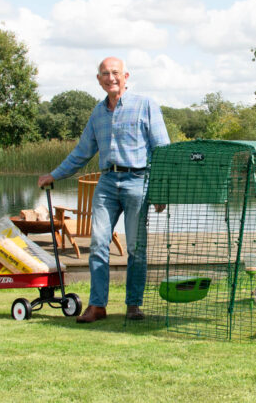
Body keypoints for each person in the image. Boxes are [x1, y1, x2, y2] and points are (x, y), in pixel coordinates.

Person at [38, 57, 170, 323]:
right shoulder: (98, 113)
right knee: (98, 243)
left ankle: (133, 304)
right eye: (105, 74)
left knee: (135, 247)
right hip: (107, 183)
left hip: (138, 181)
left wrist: (161, 190)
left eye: (115, 73)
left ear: (126, 76)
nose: (111, 78)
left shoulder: (145, 105)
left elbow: (163, 150)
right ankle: (97, 305)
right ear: (98, 79)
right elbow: (81, 153)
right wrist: (54, 174)